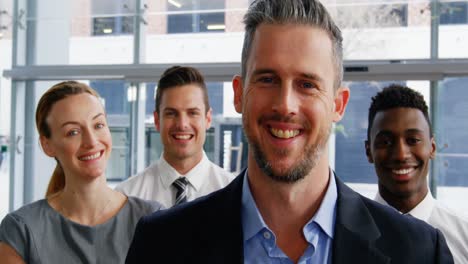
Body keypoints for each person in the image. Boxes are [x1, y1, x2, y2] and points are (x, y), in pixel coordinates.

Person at [126, 1, 453, 263]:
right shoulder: (161, 244)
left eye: (307, 84)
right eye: (267, 79)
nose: (285, 105)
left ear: (338, 104)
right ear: (239, 94)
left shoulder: (419, 251)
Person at [0, 81, 162, 264]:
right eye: (73, 132)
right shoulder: (21, 229)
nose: (91, 141)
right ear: (47, 145)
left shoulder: (151, 218)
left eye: (98, 125)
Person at [365, 84, 468, 263]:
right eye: (386, 142)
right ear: (368, 151)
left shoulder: (464, 235)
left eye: (413, 140)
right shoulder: (342, 233)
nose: (400, 155)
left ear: (432, 148)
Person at [116, 66, 234, 208]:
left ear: (208, 119)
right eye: (171, 113)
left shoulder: (234, 194)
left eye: (192, 113)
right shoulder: (127, 197)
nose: (182, 124)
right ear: (157, 120)